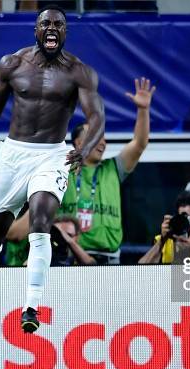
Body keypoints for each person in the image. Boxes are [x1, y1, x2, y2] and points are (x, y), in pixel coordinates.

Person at [0, 5, 105, 340]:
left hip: (53, 155)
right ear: (36, 30)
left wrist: (84, 150)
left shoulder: (79, 73)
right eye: (46, 24)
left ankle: (32, 306)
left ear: (66, 31)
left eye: (59, 24)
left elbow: (97, 117)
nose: (53, 28)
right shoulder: (12, 64)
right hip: (13, 155)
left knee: (42, 220)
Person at [58, 77, 155, 265]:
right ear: (78, 143)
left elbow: (139, 143)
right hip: (72, 258)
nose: (103, 142)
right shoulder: (61, 170)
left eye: (103, 137)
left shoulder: (113, 168)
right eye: (96, 137)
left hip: (110, 260)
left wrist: (143, 110)